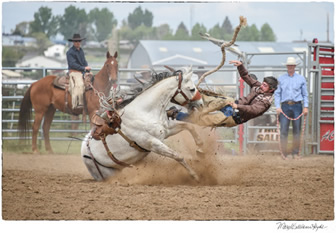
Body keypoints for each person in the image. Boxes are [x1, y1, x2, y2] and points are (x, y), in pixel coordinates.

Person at [171, 60, 278, 128]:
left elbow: (253, 109)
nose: (262, 86)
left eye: (265, 85)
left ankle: (175, 114)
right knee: (204, 98)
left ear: (271, 90)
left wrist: (238, 106)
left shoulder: (266, 102)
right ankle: (173, 95)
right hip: (230, 103)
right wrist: (240, 66)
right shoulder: (258, 86)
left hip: (234, 117)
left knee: (203, 121)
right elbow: (246, 77)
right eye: (263, 83)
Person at [274, 57, 309, 158]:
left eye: (292, 65)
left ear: (294, 66)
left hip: (297, 105)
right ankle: (284, 153)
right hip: (284, 106)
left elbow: (305, 94)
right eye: (289, 65)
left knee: (297, 130)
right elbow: (277, 93)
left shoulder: (301, 79)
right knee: (283, 130)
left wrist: (305, 106)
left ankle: (295, 152)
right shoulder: (281, 79)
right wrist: (277, 107)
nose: (290, 67)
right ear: (287, 66)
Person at [66, 33, 91, 109]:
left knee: (92, 81)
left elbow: (84, 61)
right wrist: (84, 68)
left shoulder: (81, 51)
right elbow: (72, 64)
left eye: (79, 41)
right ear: (73, 42)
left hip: (82, 71)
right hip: (74, 72)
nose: (78, 43)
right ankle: (79, 103)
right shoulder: (70, 52)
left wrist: (87, 68)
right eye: (76, 41)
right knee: (80, 84)